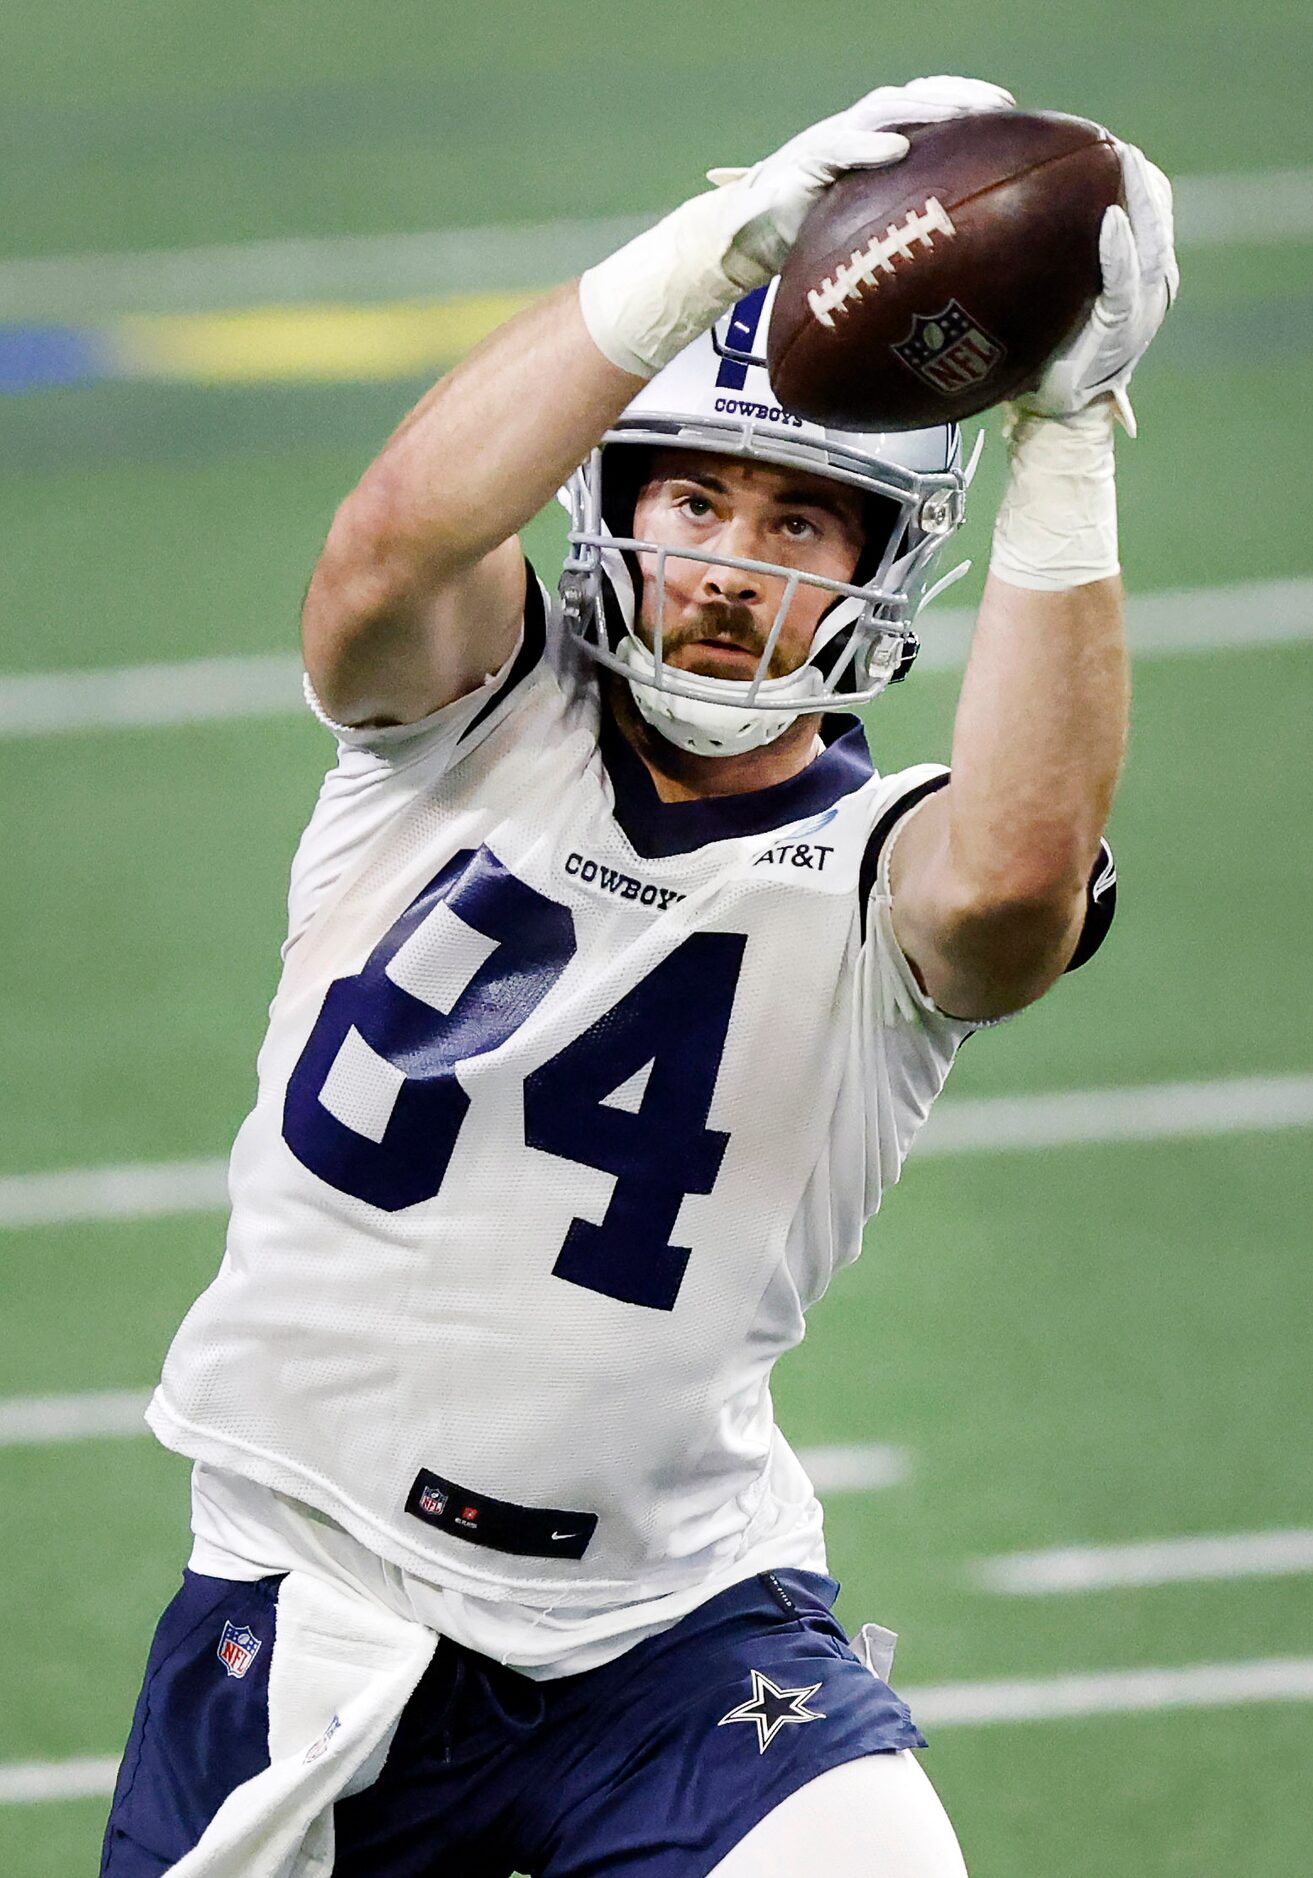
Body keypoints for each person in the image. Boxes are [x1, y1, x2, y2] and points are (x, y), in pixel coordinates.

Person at [101, 75, 1176, 1878]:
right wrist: (710, 255)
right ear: (606, 503)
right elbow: (389, 544)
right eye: (692, 497)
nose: (725, 570)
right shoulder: (457, 717)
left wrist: (1064, 431)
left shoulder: (885, 854)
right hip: (310, 1582)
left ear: (878, 568)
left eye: (795, 523)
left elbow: (1006, 886)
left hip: (668, 1628)